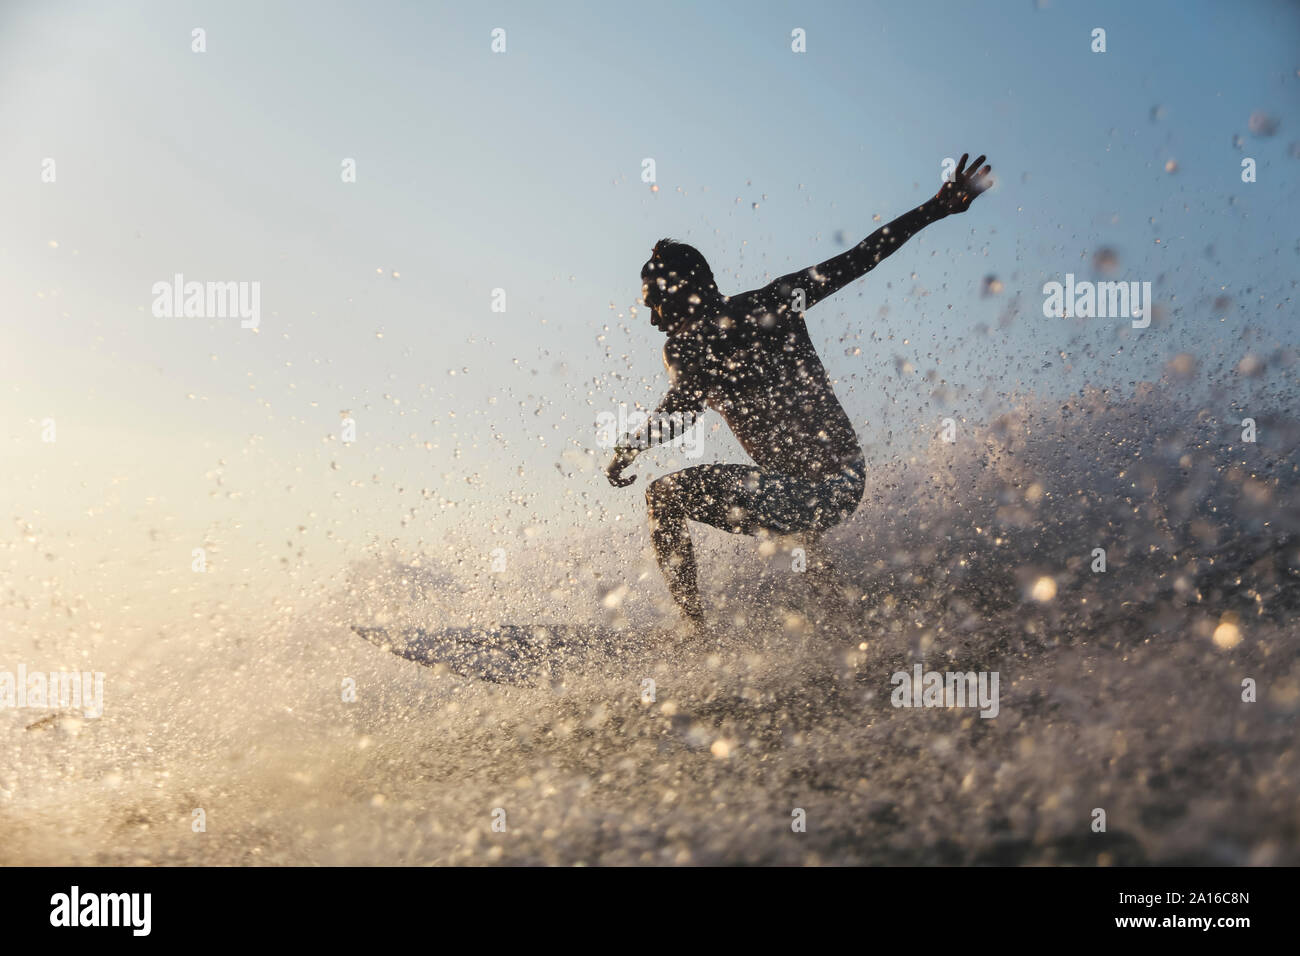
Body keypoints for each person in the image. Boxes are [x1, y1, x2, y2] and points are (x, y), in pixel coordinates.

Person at [606, 153, 993, 633]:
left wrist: (626, 448)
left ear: (684, 289)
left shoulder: (697, 342)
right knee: (798, 533)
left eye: (656, 303)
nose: (654, 319)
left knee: (664, 496)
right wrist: (934, 209)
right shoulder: (773, 302)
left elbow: (681, 414)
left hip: (817, 488)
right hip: (839, 481)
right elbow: (861, 257)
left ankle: (695, 636)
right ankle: (850, 633)